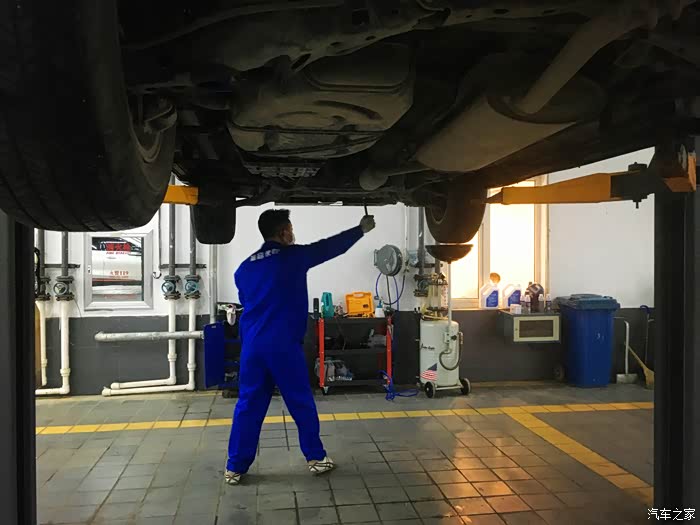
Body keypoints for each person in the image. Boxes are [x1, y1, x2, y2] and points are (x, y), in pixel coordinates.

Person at [225, 209, 376, 485]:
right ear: (284, 232)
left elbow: (249, 302)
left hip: (252, 348)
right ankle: (316, 458)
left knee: (248, 405)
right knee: (300, 401)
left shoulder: (243, 269)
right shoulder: (292, 257)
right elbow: (328, 248)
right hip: (283, 346)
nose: (293, 234)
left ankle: (234, 467)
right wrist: (360, 230)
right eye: (291, 229)